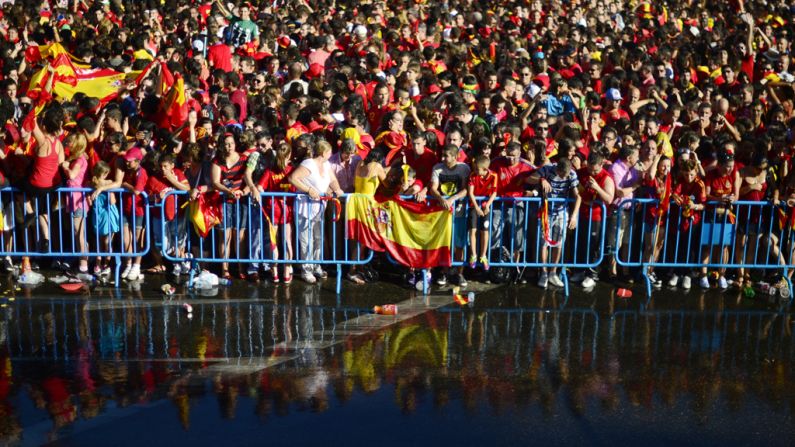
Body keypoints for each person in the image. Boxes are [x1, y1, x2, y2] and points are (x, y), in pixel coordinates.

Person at [289, 140, 344, 284]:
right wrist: (308, 190)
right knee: (305, 239)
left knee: (318, 238)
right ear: (324, 152)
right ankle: (306, 270)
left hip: (319, 208)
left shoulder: (326, 165)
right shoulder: (308, 164)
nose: (331, 154)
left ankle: (316, 265)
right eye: (329, 152)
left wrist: (337, 189)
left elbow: (333, 180)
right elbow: (293, 178)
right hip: (304, 208)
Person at [531, 156, 581, 288]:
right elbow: (529, 178)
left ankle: (553, 273)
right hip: (546, 212)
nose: (565, 177)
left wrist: (574, 216)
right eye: (562, 175)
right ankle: (544, 273)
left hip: (561, 212)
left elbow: (578, 196)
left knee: (558, 243)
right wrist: (542, 179)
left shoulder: (571, 174)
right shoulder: (547, 169)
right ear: (557, 169)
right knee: (544, 243)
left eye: (566, 175)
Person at [430, 145, 471, 287]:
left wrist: (451, 199)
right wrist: (441, 199)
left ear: (455, 157)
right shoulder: (437, 168)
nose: (443, 158)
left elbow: (466, 189)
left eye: (446, 156)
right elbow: (433, 188)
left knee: (459, 243)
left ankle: (459, 273)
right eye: (443, 155)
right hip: (442, 213)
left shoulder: (464, 168)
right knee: (444, 243)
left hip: (459, 211)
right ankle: (444, 271)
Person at [60, 133, 89, 273]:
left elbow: (72, 175)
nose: (68, 144)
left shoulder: (79, 159)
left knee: (79, 232)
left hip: (78, 199)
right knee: (77, 231)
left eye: (70, 142)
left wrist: (65, 167)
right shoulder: (77, 158)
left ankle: (84, 263)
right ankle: (82, 259)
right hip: (73, 198)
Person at [466, 155, 498, 270]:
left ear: (485, 169)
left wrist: (487, 205)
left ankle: (483, 255)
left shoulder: (494, 175)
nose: (475, 170)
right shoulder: (472, 175)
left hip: (485, 206)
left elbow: (494, 192)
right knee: (472, 230)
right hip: (474, 205)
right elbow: (470, 193)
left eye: (477, 169)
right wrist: (476, 207)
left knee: (484, 231)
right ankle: (473, 255)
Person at [89, 161, 120, 277]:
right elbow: (113, 201)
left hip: (98, 214)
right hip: (108, 214)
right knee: (108, 242)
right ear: (105, 173)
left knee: (98, 242)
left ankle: (97, 264)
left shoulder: (91, 183)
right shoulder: (109, 183)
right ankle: (106, 265)